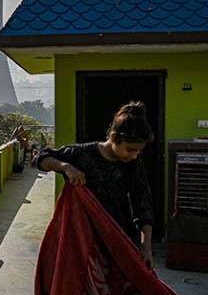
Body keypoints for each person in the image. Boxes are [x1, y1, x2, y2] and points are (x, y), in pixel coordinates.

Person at [36, 101, 155, 270]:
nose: (134, 156)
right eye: (130, 150)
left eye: (138, 151)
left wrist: (146, 248)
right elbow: (41, 158)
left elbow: (143, 205)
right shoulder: (83, 154)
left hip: (115, 239)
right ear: (114, 137)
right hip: (81, 241)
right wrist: (66, 167)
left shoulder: (132, 165)